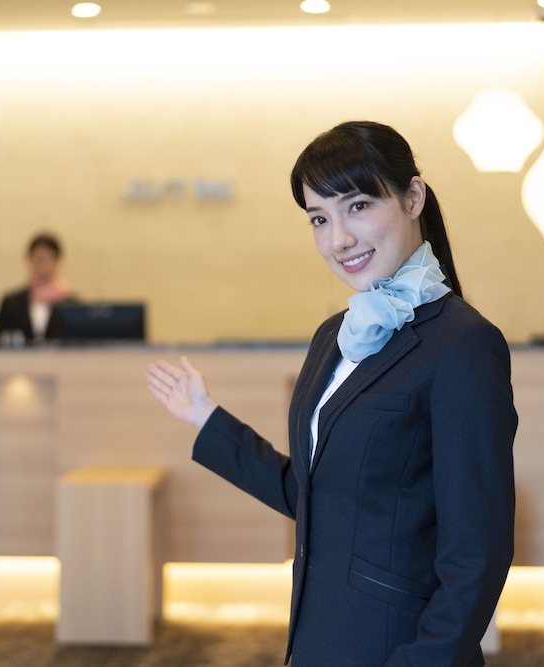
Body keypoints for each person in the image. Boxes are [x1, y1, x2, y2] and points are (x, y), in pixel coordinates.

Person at [145, 121, 517, 667]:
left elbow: (476, 555)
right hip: (318, 639)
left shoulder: (463, 345)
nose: (338, 238)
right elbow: (315, 493)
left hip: (397, 651)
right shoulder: (334, 337)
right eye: (319, 218)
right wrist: (206, 417)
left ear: (413, 198)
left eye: (358, 206)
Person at [0, 233, 72, 345]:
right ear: (30, 260)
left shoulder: (70, 305)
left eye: (51, 259)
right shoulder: (11, 304)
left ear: (58, 262)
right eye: (40, 259)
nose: (45, 265)